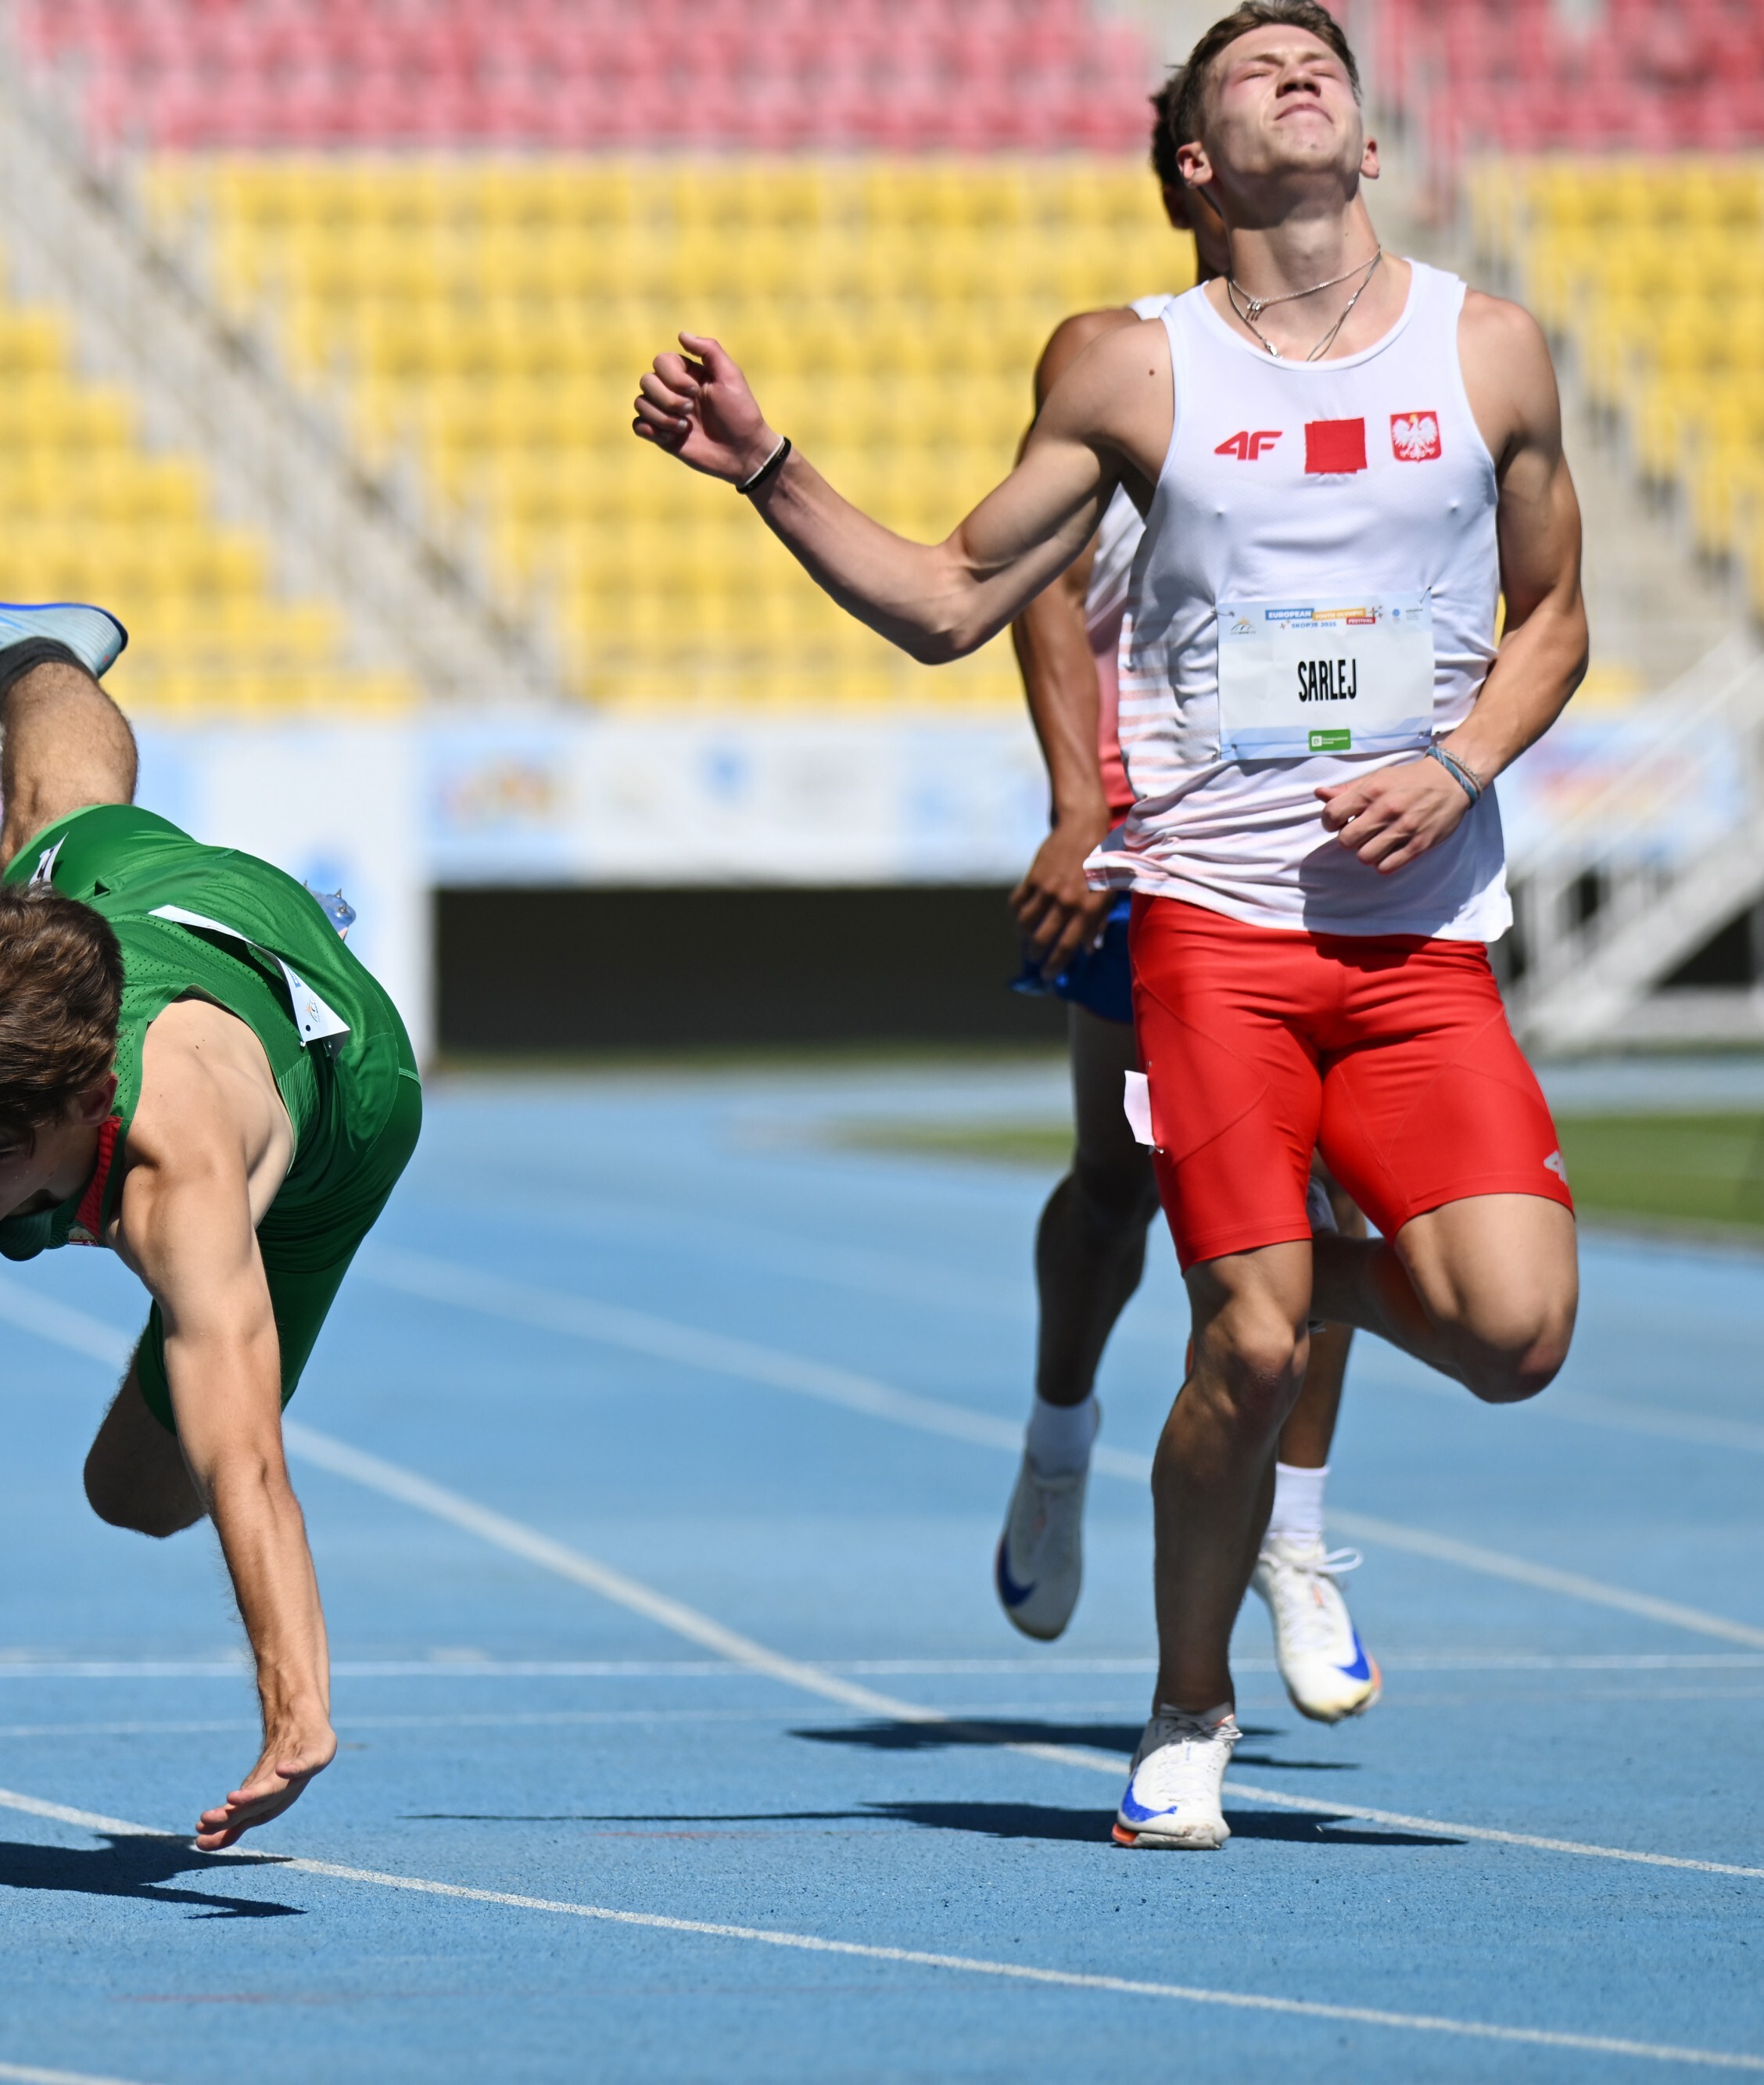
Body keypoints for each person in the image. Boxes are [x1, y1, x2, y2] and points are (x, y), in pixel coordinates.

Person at [634, 0, 1583, 1850]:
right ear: (1196, 163)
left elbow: (1550, 617)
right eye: (1251, 69)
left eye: (1323, 63)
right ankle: (1185, 1706)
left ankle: (1283, 1361)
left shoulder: (1487, 347)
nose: (1299, 71)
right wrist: (766, 467)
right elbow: (950, 599)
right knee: (1240, 1337)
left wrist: (1459, 764)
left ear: (1367, 144)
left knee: (1515, 1331)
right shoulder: (1133, 370)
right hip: (1211, 930)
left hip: (1415, 939)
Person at [0, 591, 425, 1850]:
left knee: (142, 1490)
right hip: (126, 903)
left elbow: (246, 1460)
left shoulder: (179, 1169)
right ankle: (29, 660)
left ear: (86, 1104)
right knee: (49, 828)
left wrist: (296, 1708)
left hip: (341, 1102)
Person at [996, 90, 1382, 1729]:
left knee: (1327, 1207)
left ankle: (1293, 1527)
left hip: (1331, 841)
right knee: (1115, 1189)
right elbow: (1029, 583)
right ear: (1191, 180)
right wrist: (1078, 802)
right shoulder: (1129, 364)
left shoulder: (1406, 359)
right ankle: (1057, 1435)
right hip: (1156, 835)